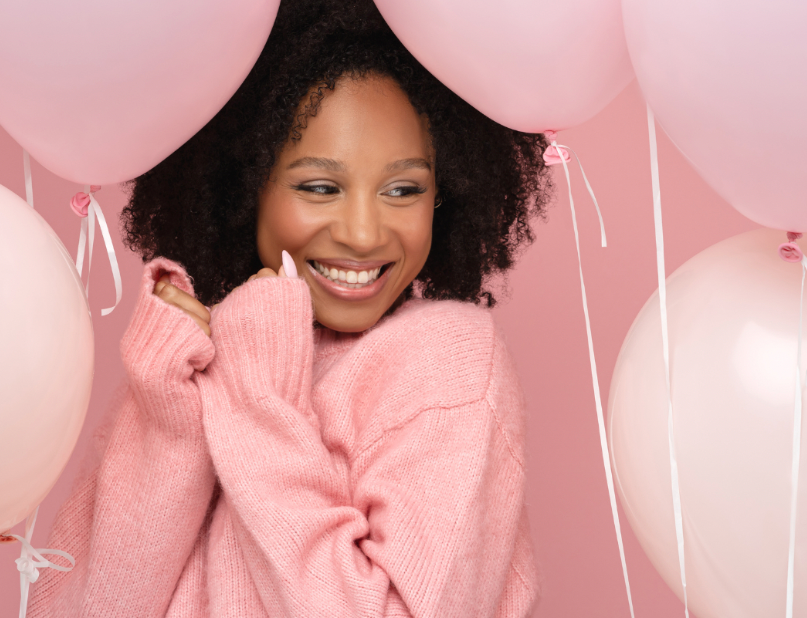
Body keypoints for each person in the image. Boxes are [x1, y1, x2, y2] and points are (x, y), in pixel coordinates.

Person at [29, 0, 551, 616]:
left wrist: (262, 400)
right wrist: (168, 420)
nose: (363, 232)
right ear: (245, 189)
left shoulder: (448, 363)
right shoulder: (193, 359)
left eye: (403, 189)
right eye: (320, 187)